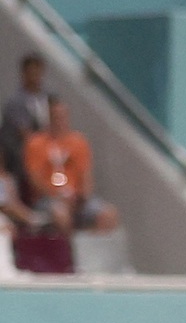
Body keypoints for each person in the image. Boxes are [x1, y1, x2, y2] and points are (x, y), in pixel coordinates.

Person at [21, 98, 118, 235]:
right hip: (48, 199)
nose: (59, 121)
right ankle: (68, 252)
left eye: (62, 117)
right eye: (55, 117)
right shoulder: (35, 143)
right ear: (48, 119)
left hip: (76, 198)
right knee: (61, 215)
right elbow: (34, 179)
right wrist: (57, 196)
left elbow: (86, 176)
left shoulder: (79, 142)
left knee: (108, 214)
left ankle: (89, 248)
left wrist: (82, 197)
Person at [1, 53, 50, 176]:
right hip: (20, 156)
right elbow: (26, 135)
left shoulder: (47, 99)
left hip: (46, 150)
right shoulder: (15, 102)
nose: (35, 77)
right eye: (31, 73)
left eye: (37, 73)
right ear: (24, 74)